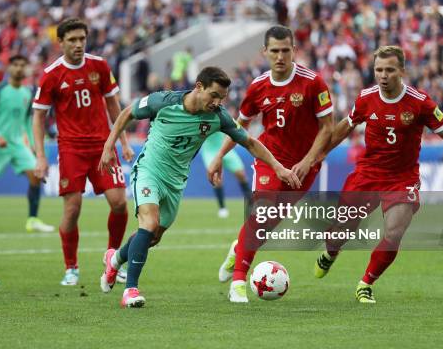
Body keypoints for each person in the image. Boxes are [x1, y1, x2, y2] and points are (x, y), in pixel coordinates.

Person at [98, 66, 302, 308]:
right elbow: (127, 113)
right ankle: (130, 290)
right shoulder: (163, 101)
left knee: (152, 236)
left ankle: (115, 260)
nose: (216, 102)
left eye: (221, 98)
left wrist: (278, 167)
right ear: (199, 87)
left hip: (176, 181)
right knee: (148, 223)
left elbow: (248, 141)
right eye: (213, 95)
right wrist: (109, 145)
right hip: (149, 171)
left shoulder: (218, 117)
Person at [313, 45, 443, 303]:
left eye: (389, 70)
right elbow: (345, 126)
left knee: (394, 232)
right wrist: (319, 153)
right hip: (368, 173)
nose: (383, 75)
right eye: (379, 69)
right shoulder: (366, 98)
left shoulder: (420, 102)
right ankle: (330, 253)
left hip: (402, 178)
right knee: (341, 231)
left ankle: (365, 284)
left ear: (402, 71)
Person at [211, 25, 334, 303]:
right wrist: (219, 156)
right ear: (264, 52)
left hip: (305, 167)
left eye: (285, 50)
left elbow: (327, 128)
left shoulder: (312, 82)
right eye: (275, 51)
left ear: (294, 51)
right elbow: (240, 127)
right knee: (263, 215)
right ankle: (239, 281)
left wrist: (307, 161)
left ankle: (237, 249)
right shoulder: (257, 87)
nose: (280, 56)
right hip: (269, 159)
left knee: (266, 225)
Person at [32, 18, 134, 286]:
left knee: (120, 203)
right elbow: (38, 118)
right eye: (72, 40)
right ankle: (71, 267)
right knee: (72, 210)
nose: (78, 44)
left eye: (82, 39)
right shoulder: (51, 75)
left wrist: (122, 141)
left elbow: (114, 105)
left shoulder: (99, 66)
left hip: (103, 146)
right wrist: (41, 157)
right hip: (71, 150)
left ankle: (112, 258)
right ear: (61, 42)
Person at [0, 55, 54, 233]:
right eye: (16, 65)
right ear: (9, 68)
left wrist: (34, 145)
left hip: (17, 144)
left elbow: (29, 121)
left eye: (23, 65)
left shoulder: (28, 93)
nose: (19, 68)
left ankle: (32, 220)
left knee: (36, 176)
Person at [199, 131, 251, 218]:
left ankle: (251, 202)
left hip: (226, 150)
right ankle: (222, 208)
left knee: (241, 174)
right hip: (210, 151)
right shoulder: (201, 119)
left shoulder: (223, 118)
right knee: (216, 178)